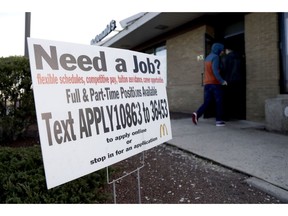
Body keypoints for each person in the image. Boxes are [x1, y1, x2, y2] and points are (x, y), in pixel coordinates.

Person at [192, 43, 227, 126]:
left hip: (207, 84)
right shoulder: (216, 57)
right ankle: (219, 121)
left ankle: (197, 114)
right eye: (221, 50)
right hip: (215, 84)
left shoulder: (208, 57)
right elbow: (215, 71)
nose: (222, 52)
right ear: (218, 50)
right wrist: (222, 81)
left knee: (207, 102)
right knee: (219, 102)